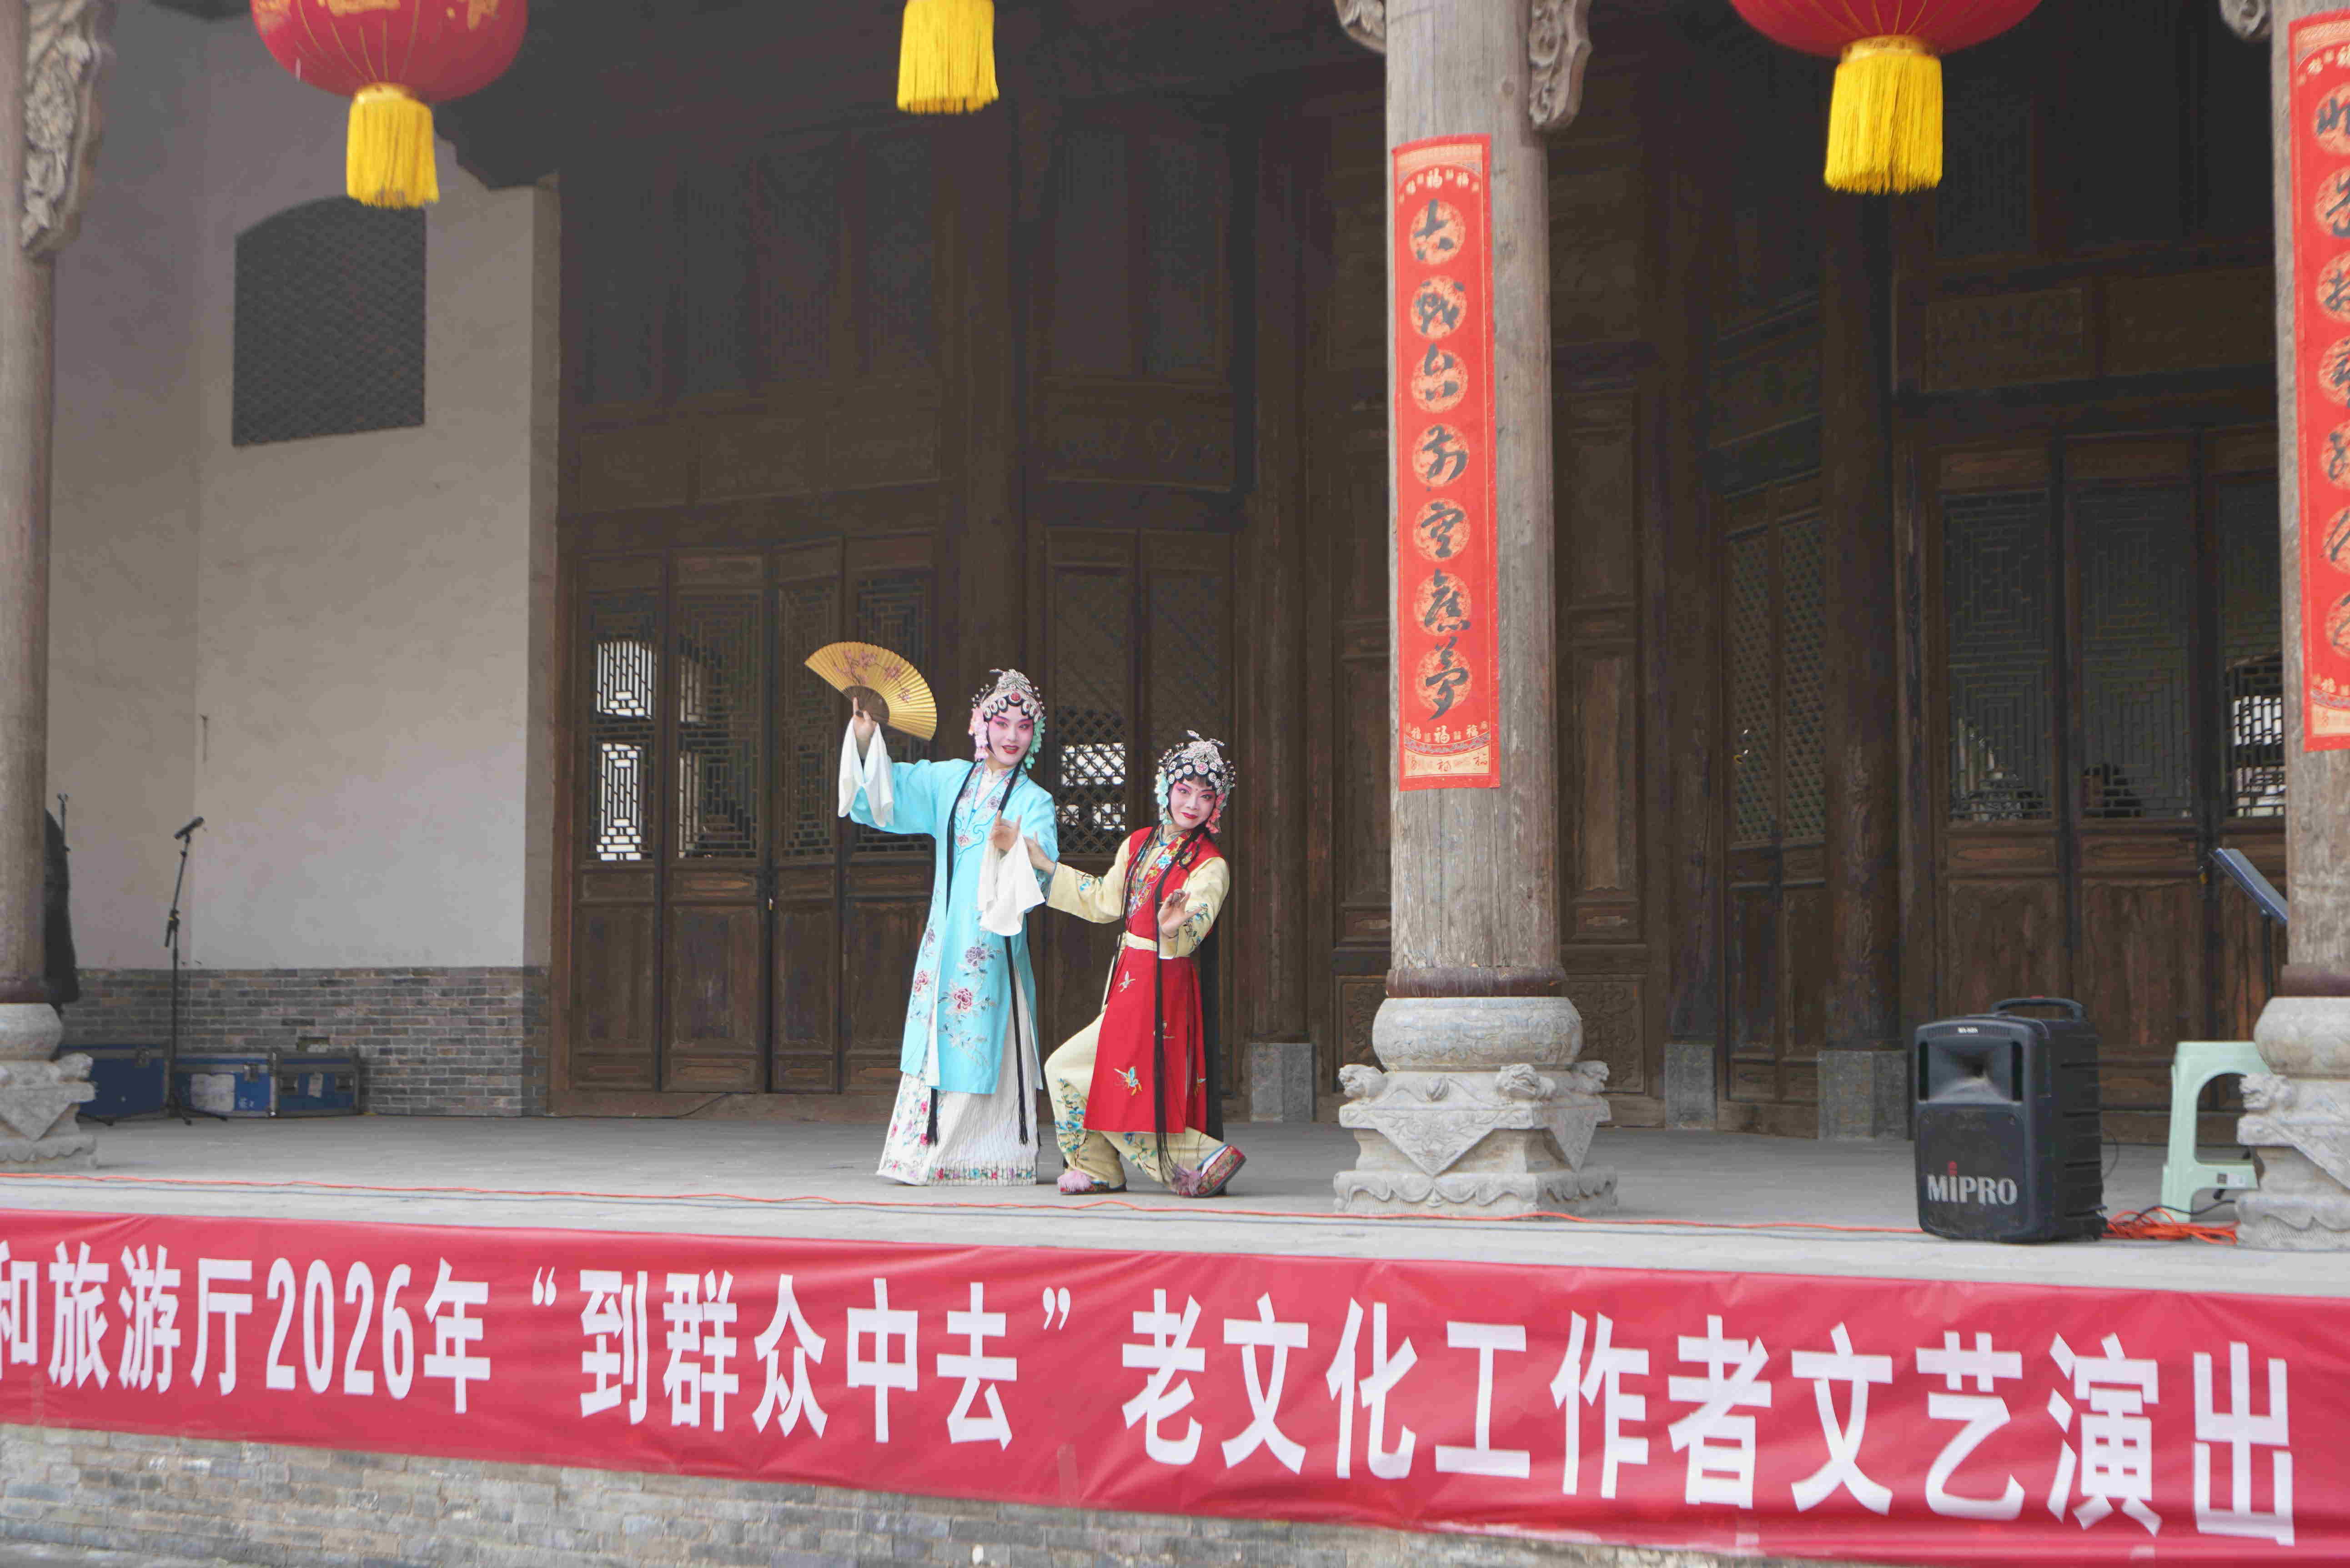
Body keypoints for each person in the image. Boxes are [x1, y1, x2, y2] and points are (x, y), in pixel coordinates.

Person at [843, 669, 1058, 1186]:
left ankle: (987, 1156)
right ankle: (920, 1152)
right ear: (980, 725)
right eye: (1001, 723)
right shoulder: (950, 780)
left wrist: (1017, 850)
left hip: (991, 941)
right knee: (936, 1031)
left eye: (1024, 726)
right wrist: (866, 738)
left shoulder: (1035, 801)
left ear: (1035, 735)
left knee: (981, 1030)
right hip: (944, 937)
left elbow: (1044, 873)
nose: (1012, 736)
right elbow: (886, 794)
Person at [1016, 731, 1243, 1198]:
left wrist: (1172, 927)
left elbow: (1197, 920)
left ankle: (1193, 1159)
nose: (1192, 804)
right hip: (1128, 978)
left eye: (1205, 796)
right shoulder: (1138, 843)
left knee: (1121, 1079)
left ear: (1216, 805)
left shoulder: (1210, 864)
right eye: (1184, 790)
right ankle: (1102, 1166)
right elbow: (1105, 901)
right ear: (1166, 789)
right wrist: (1047, 867)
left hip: (1164, 981)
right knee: (1071, 1069)